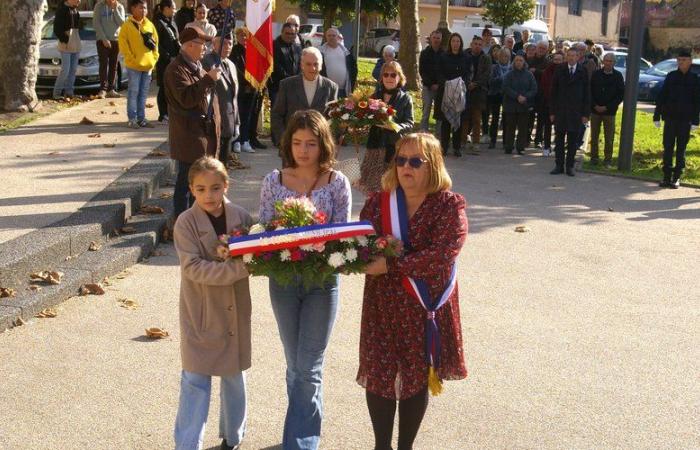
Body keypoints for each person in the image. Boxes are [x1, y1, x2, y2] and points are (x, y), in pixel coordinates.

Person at [359, 132, 467, 450]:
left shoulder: (449, 204)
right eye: (401, 160)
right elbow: (362, 244)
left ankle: (405, 446)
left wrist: (390, 265)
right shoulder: (379, 202)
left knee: (416, 375)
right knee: (379, 371)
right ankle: (382, 446)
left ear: (432, 166)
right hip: (383, 303)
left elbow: (443, 253)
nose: (406, 167)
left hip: (424, 304)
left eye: (416, 161)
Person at [258, 110, 352, 450]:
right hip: (283, 282)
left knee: (309, 365)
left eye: (311, 143)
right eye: (297, 143)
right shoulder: (274, 181)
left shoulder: (337, 182)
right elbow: (264, 231)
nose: (303, 150)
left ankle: (301, 442)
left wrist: (318, 242)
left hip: (322, 283)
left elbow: (344, 234)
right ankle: (303, 428)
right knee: (295, 364)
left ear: (323, 144)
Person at [172, 156, 253, 450]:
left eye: (216, 188)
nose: (209, 195)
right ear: (192, 189)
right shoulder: (185, 222)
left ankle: (233, 437)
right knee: (195, 380)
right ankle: (187, 444)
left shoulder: (242, 218)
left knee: (234, 378)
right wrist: (237, 269)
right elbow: (192, 267)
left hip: (235, 310)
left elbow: (257, 251)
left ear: (226, 186)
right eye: (201, 189)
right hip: (201, 311)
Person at [164, 26, 222, 219]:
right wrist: (208, 80)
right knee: (186, 185)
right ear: (189, 45)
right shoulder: (176, 69)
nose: (205, 48)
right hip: (188, 137)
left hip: (201, 136)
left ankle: (196, 220)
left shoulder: (196, 67)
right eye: (202, 44)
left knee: (198, 184)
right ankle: (182, 224)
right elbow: (187, 98)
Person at [360, 61, 414, 194]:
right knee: (372, 188)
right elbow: (365, 118)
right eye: (386, 75)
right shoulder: (374, 97)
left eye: (393, 75)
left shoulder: (405, 98)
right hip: (375, 145)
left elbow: (410, 123)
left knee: (391, 187)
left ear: (399, 78)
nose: (389, 78)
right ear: (381, 77)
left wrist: (394, 127)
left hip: (393, 146)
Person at [270, 47, 338, 147]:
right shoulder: (287, 85)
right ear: (301, 65)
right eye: (308, 64)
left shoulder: (331, 87)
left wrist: (328, 141)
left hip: (319, 145)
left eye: (316, 64)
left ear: (321, 65)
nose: (312, 68)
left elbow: (333, 118)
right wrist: (283, 139)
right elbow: (277, 114)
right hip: (292, 144)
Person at [653, 50, 700, 188]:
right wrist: (657, 116)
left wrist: (696, 120)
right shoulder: (671, 76)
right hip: (670, 118)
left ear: (690, 61)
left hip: (685, 120)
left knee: (681, 149)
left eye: (684, 60)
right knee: (668, 147)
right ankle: (666, 176)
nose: (681, 62)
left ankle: (676, 177)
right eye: (679, 60)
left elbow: (697, 101)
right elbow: (662, 96)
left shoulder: (695, 79)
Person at [118, 0, 159, 129]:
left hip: (147, 66)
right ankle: (132, 119)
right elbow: (123, 45)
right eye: (141, 8)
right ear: (133, 8)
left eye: (145, 8)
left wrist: (154, 59)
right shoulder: (127, 26)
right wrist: (132, 59)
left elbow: (155, 44)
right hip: (134, 66)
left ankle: (142, 118)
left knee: (143, 93)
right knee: (133, 92)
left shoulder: (150, 25)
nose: (144, 10)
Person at [550, 48, 590, 176]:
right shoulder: (560, 69)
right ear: (566, 56)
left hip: (576, 112)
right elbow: (553, 92)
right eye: (570, 55)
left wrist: (585, 114)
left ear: (578, 57)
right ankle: (559, 165)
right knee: (559, 139)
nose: (572, 58)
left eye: (574, 55)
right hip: (561, 111)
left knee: (573, 141)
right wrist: (552, 112)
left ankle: (570, 166)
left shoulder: (583, 71)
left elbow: (587, 94)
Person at [203, 33, 241, 168]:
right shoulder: (207, 61)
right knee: (212, 165)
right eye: (223, 43)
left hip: (229, 121)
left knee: (223, 166)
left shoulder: (230, 64)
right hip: (214, 122)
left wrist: (237, 122)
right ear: (214, 44)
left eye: (230, 43)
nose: (228, 47)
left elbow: (234, 96)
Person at [435, 32, 471, 157]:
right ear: (450, 43)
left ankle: (456, 147)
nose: (455, 44)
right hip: (446, 92)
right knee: (446, 121)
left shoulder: (466, 57)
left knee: (458, 121)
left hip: (460, 92)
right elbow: (439, 73)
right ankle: (444, 147)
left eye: (458, 41)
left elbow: (468, 73)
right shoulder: (443, 57)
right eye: (453, 41)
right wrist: (446, 83)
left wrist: (462, 83)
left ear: (461, 43)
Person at [231, 26, 264, 153]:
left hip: (252, 88)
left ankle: (245, 140)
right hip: (241, 88)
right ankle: (237, 141)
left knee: (248, 115)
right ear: (237, 37)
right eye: (241, 36)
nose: (244, 38)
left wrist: (254, 82)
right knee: (238, 114)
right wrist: (247, 81)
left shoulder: (253, 50)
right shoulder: (235, 51)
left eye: (246, 36)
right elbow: (237, 70)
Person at [589, 52, 625, 168]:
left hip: (609, 112)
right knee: (594, 136)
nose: (608, 63)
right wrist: (595, 105)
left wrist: (607, 107)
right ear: (603, 61)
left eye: (611, 61)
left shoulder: (618, 76)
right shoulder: (596, 74)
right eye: (606, 61)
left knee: (609, 138)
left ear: (614, 63)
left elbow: (620, 95)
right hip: (595, 110)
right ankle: (594, 158)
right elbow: (589, 91)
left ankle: (608, 160)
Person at [502, 54, 538, 155]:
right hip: (511, 105)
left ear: (524, 62)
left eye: (521, 60)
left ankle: (520, 147)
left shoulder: (529, 75)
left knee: (523, 128)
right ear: (514, 62)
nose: (519, 62)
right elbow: (505, 87)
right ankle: (508, 146)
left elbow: (534, 88)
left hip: (524, 105)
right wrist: (517, 96)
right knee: (510, 127)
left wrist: (525, 97)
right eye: (517, 60)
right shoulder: (509, 74)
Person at [463, 36, 491, 155]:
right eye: (475, 44)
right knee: (464, 118)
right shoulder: (464, 55)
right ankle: (462, 141)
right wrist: (467, 83)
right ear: (471, 44)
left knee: (476, 119)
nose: (477, 46)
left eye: (480, 44)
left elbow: (487, 74)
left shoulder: (486, 58)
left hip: (479, 91)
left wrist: (476, 83)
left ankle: (476, 143)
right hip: (465, 90)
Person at [153, 0, 180, 123]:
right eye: (173, 8)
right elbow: (156, 44)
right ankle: (162, 114)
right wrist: (168, 56)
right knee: (163, 87)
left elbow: (175, 39)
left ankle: (170, 112)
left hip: (175, 59)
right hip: (164, 61)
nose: (175, 11)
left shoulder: (171, 21)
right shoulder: (158, 22)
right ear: (166, 8)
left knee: (171, 87)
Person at [93, 0, 125, 99]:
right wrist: (103, 38)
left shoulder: (119, 6)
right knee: (103, 64)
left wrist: (114, 9)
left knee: (114, 65)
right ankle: (103, 89)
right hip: (102, 40)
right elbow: (96, 23)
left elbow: (122, 23)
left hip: (116, 40)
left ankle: (111, 89)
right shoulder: (99, 5)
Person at [52, 0, 82, 100]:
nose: (79, 1)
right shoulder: (61, 10)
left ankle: (69, 92)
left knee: (73, 69)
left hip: (75, 42)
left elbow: (77, 26)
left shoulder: (75, 10)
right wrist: (65, 39)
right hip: (66, 43)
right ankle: (57, 93)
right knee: (65, 69)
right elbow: (56, 29)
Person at [269, 23, 302, 107]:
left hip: (294, 87)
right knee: (278, 114)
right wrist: (290, 79)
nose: (290, 36)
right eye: (287, 33)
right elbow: (276, 65)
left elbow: (300, 64)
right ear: (282, 32)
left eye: (292, 34)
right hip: (278, 87)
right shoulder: (274, 45)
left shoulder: (297, 47)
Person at [320, 27, 358, 98]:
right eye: (329, 35)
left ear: (338, 37)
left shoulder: (346, 52)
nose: (331, 37)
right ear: (326, 37)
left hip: (343, 91)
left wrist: (353, 82)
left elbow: (353, 68)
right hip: (326, 90)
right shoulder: (320, 52)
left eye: (333, 35)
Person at [539, 51, 564, 157]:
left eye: (559, 60)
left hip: (561, 105)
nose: (557, 62)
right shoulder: (547, 71)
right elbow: (544, 86)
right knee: (547, 126)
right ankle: (547, 146)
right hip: (548, 103)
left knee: (560, 128)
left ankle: (558, 147)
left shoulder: (565, 71)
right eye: (555, 60)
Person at [486, 47, 511, 149]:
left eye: (506, 56)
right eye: (501, 56)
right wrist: (501, 78)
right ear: (498, 57)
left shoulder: (511, 68)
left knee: (506, 119)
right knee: (495, 119)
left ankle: (506, 141)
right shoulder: (494, 67)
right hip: (495, 94)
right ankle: (493, 140)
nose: (503, 58)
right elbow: (490, 81)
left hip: (507, 95)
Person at [418, 30, 443, 131]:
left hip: (440, 87)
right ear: (430, 38)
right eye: (434, 37)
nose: (436, 40)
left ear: (441, 40)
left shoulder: (444, 54)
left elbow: (445, 72)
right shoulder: (424, 53)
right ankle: (423, 130)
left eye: (438, 38)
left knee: (439, 111)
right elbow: (422, 71)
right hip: (427, 87)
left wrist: (439, 84)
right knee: (426, 110)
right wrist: (430, 84)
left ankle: (439, 132)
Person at [528, 41, 551, 149]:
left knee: (541, 119)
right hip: (530, 93)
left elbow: (547, 74)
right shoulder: (530, 60)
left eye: (543, 48)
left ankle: (538, 139)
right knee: (529, 117)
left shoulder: (548, 62)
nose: (541, 50)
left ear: (546, 50)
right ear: (536, 48)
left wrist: (536, 71)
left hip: (542, 93)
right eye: (540, 48)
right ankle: (527, 138)